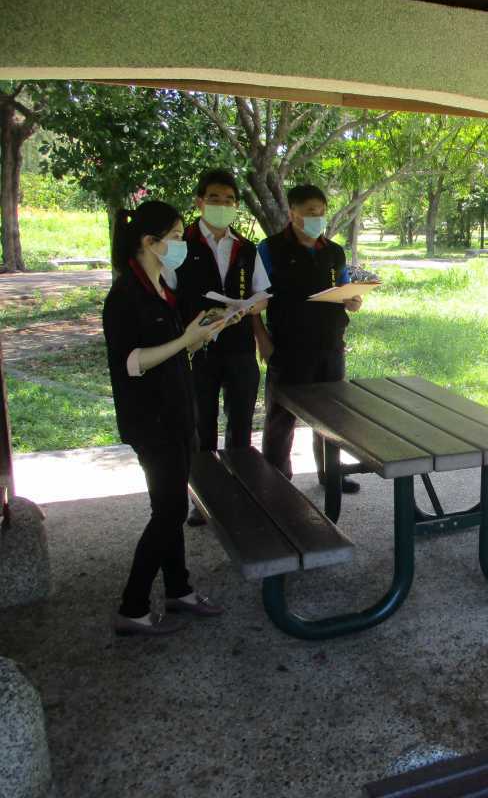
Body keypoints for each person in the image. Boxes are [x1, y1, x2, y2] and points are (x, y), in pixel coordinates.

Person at [103, 201, 233, 636]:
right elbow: (132, 362)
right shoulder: (125, 296)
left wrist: (199, 337)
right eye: (175, 236)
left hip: (178, 412)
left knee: (170, 505)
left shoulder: (164, 288)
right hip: (150, 420)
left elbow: (174, 350)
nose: (181, 244)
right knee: (170, 510)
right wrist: (185, 341)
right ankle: (133, 606)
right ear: (149, 242)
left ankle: (179, 590)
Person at [168, 169, 270, 526]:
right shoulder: (181, 246)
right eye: (214, 198)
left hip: (239, 348)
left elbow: (261, 294)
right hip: (198, 350)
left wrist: (250, 307)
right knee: (202, 423)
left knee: (241, 422)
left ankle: (240, 487)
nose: (222, 205)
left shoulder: (246, 247)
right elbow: (168, 294)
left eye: (229, 200)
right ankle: (204, 497)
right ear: (199, 202)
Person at [259, 184, 364, 491]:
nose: (317, 218)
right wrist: (261, 339)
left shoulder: (334, 251)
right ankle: (276, 479)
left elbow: (344, 290)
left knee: (331, 416)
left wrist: (353, 301)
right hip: (288, 347)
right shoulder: (270, 249)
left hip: (330, 345)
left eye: (320, 212)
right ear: (292, 214)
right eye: (309, 213)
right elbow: (255, 298)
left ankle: (331, 473)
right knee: (281, 418)